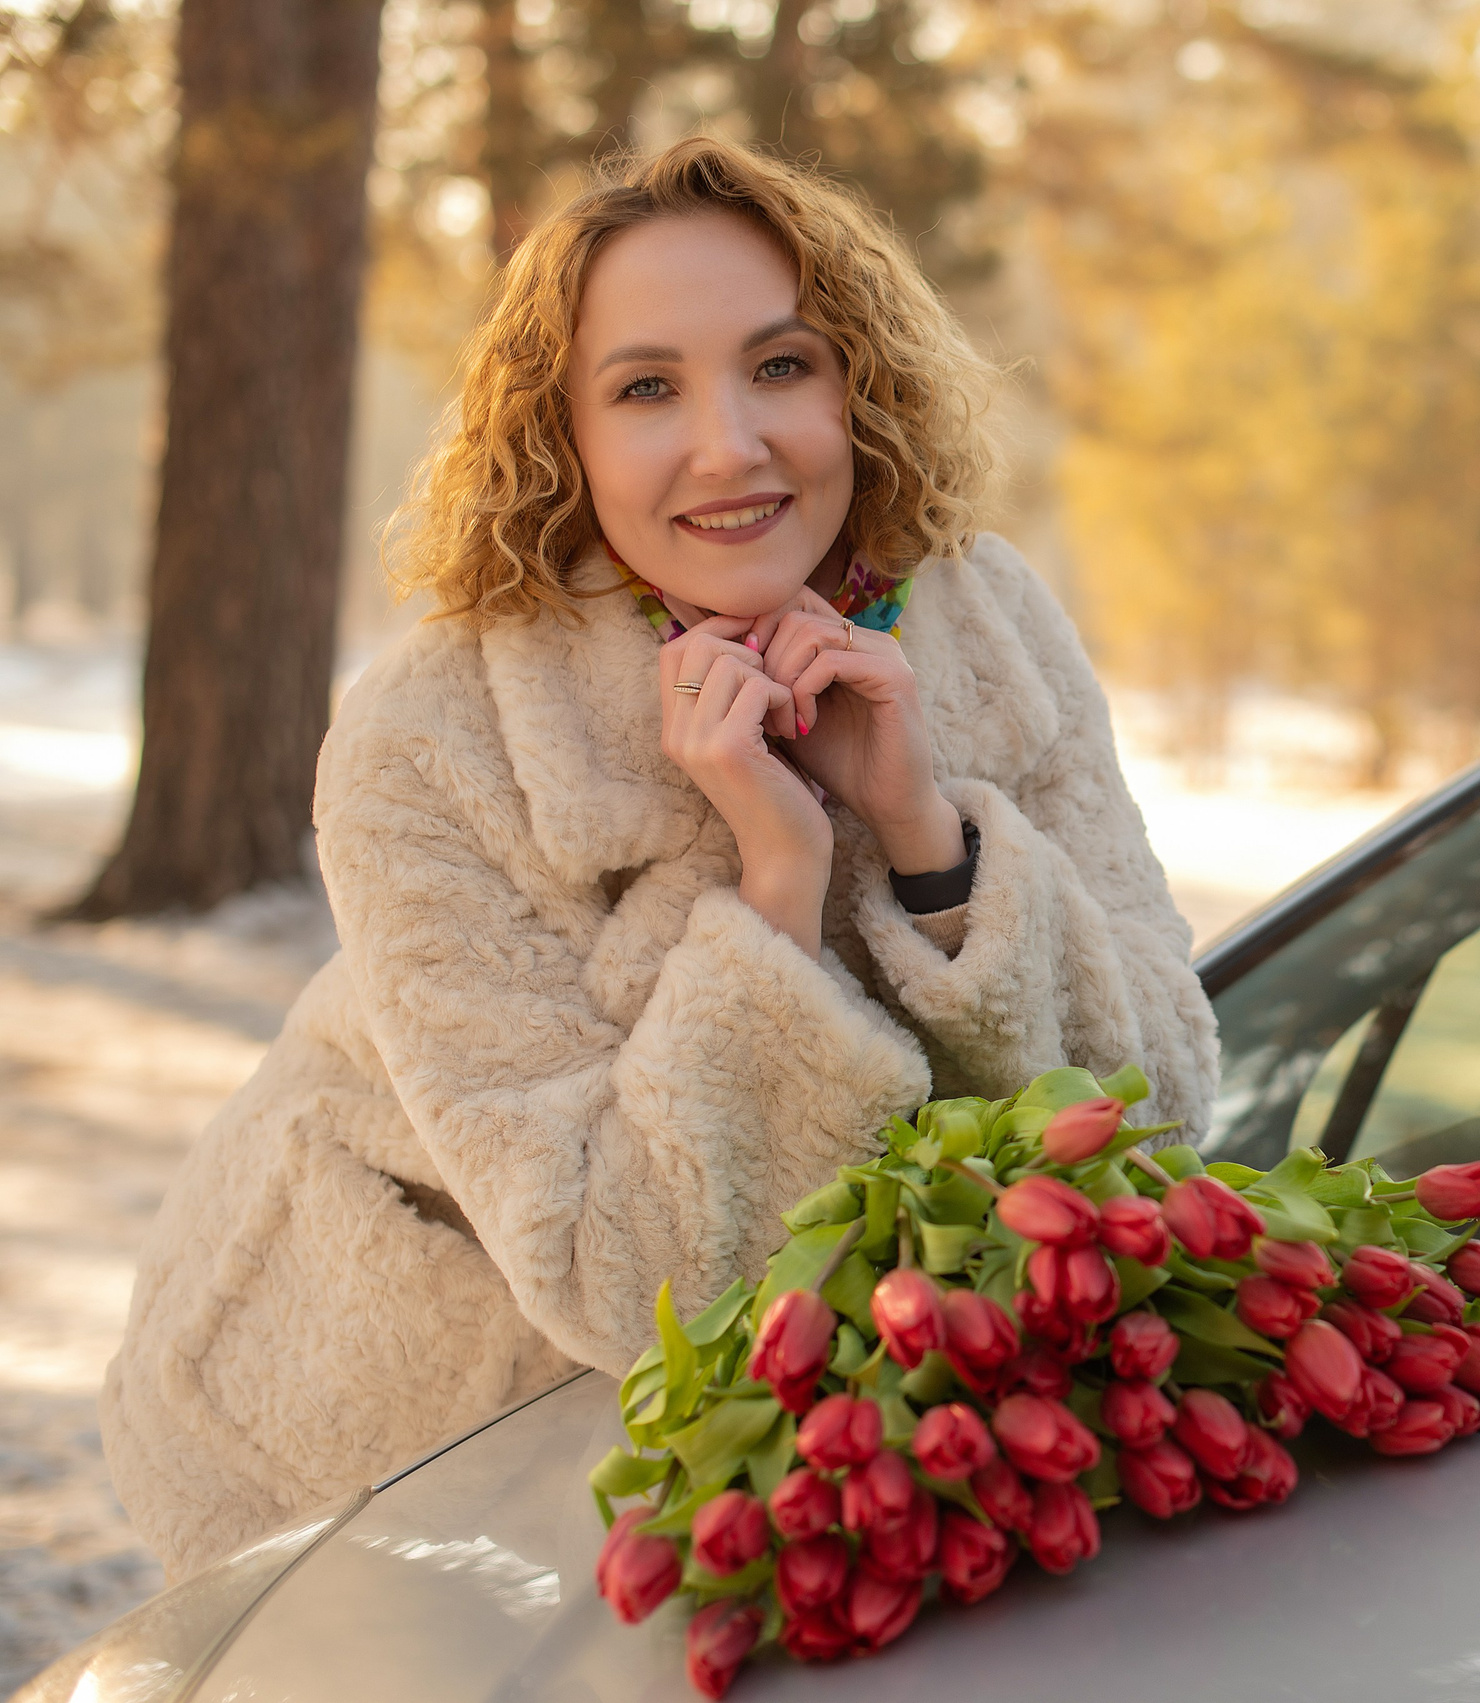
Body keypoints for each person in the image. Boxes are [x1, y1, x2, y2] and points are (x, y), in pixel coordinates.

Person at [100, 137, 1218, 1578]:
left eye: (780, 366)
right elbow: (627, 1279)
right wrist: (773, 887)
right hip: (389, 1467)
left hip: (843, 1450)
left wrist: (929, 843)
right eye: (646, 389)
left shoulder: (986, 623)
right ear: (563, 435)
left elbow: (1162, 1113)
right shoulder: (431, 738)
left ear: (857, 382)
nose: (729, 446)